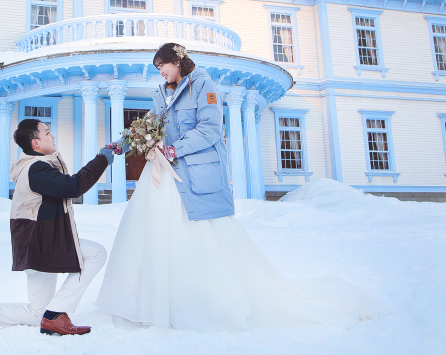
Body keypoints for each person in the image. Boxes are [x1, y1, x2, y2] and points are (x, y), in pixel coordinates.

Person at [96, 42, 386, 332]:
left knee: (197, 235)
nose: (161, 73)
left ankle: (204, 301)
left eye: (164, 66)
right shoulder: (161, 93)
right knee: (156, 233)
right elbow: (149, 125)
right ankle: (153, 301)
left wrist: (173, 150)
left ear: (178, 61)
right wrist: (120, 144)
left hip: (192, 173)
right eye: (158, 69)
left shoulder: (203, 86)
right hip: (163, 174)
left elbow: (209, 130)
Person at [0, 119, 116, 335]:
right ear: (35, 143)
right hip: (40, 244)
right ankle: (56, 314)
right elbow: (74, 186)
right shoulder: (36, 169)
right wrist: (102, 159)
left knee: (38, 313)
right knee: (96, 254)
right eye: (47, 132)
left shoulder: (36, 166)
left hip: (36, 245)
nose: (52, 135)